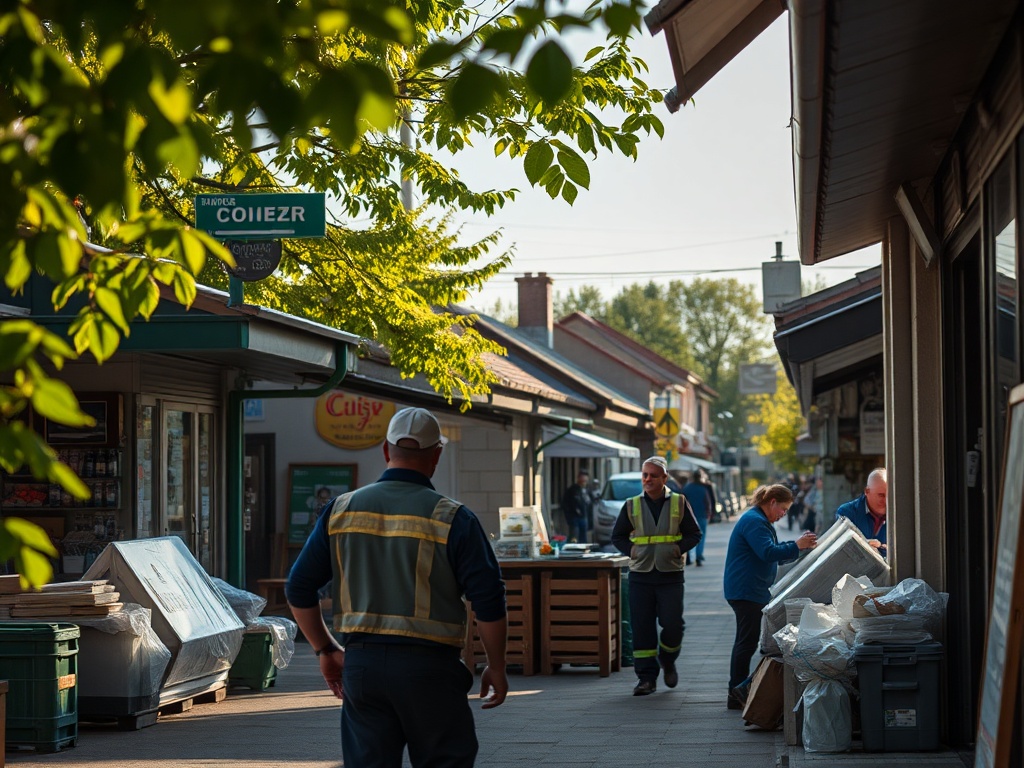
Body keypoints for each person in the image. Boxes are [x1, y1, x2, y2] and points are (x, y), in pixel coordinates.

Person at [285, 407, 508, 768]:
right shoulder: (454, 518)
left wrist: (325, 650)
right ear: (437, 455)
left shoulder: (340, 511)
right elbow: (489, 600)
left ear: (386, 451)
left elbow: (298, 587)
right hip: (431, 671)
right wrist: (495, 665)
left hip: (363, 667)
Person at [611, 456, 702, 696]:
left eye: (653, 475)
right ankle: (646, 679)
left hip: (670, 574)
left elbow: (694, 534)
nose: (648, 479)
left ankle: (668, 658)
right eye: (645, 475)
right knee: (642, 627)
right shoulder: (631, 505)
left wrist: (677, 549)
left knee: (673, 624)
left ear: (664, 478)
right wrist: (631, 550)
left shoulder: (679, 502)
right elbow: (617, 536)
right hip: (640, 575)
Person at [723, 484, 817, 710]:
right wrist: (796, 545)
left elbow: (773, 552)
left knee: (747, 641)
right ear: (772, 501)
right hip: (746, 591)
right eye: (783, 509)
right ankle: (737, 691)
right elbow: (767, 552)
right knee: (746, 642)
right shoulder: (755, 522)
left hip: (749, 589)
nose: (784, 514)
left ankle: (738, 690)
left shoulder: (758, 520)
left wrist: (798, 548)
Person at [835, 467, 888, 556]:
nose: (886, 500)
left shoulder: (899, 514)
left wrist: (881, 547)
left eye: (889, 495)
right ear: (867, 491)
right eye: (881, 495)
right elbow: (842, 548)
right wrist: (864, 546)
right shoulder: (847, 513)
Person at [681, 469, 713, 566]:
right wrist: (709, 513)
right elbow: (707, 502)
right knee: (701, 536)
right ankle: (699, 556)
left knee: (689, 535)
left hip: (689, 516)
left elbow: (682, 501)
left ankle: (689, 557)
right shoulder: (703, 488)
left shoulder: (687, 488)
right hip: (701, 515)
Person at [561, 470, 591, 543]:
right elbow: (565, 503)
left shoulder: (587, 490)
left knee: (583, 537)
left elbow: (590, 503)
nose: (584, 483)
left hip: (584, 516)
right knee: (574, 536)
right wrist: (569, 516)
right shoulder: (572, 490)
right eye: (582, 480)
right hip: (574, 517)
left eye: (585, 481)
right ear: (578, 479)